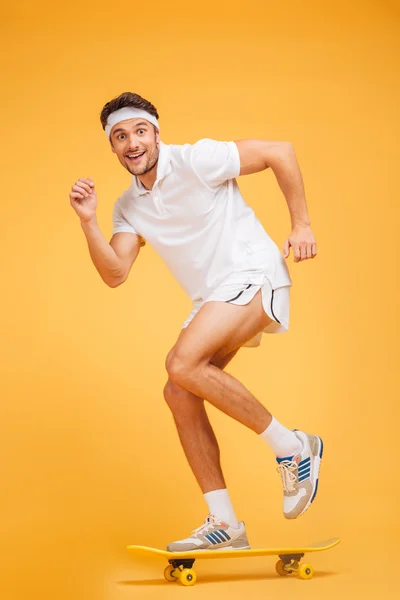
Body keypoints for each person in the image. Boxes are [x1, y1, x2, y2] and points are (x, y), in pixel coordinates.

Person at [69, 92, 321, 552]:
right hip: (215, 296)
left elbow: (278, 151)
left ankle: (293, 448)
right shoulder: (128, 206)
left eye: (139, 131)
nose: (132, 143)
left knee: (180, 363)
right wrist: (88, 223)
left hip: (252, 272)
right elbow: (115, 274)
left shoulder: (196, 160)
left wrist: (301, 224)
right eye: (120, 136)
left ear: (156, 133)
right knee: (178, 390)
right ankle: (225, 523)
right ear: (112, 147)